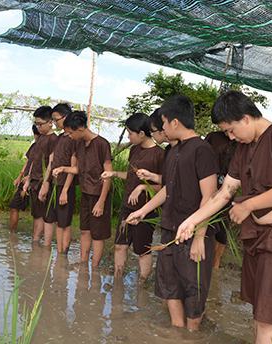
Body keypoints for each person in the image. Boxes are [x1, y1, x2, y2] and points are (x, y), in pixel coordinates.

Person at [176, 90, 272, 344]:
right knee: (259, 313)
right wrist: (192, 220)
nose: (230, 137)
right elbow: (224, 193)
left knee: (268, 317)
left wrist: (248, 205)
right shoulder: (243, 148)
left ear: (245, 118)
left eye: (231, 130)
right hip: (257, 239)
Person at [126, 95, 218, 331]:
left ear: (175, 122)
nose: (163, 129)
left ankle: (192, 332)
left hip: (193, 232)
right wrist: (143, 210)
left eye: (164, 123)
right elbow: (168, 189)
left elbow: (209, 197)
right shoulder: (172, 152)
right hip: (170, 228)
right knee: (169, 284)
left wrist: (199, 236)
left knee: (193, 288)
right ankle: (178, 332)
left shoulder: (202, 150)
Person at [101, 113, 164, 280]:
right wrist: (113, 173)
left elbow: (165, 187)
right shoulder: (135, 149)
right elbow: (131, 176)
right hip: (127, 206)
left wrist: (143, 187)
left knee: (142, 250)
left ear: (142, 133)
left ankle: (142, 284)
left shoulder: (160, 154)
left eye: (130, 133)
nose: (128, 136)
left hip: (146, 210)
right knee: (120, 246)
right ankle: (117, 279)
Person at [62, 111, 113, 267]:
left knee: (97, 235)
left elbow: (108, 175)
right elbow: (79, 169)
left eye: (71, 133)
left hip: (99, 195)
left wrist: (101, 202)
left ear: (81, 128)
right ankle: (84, 263)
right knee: (85, 230)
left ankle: (95, 267)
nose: (69, 136)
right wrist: (63, 169)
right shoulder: (79, 144)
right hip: (85, 193)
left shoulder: (102, 144)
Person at [39, 103, 77, 252]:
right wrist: (46, 183)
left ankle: (62, 254)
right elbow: (51, 161)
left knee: (63, 223)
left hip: (65, 186)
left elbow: (74, 166)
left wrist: (65, 190)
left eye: (56, 119)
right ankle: (50, 250)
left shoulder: (74, 138)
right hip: (54, 183)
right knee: (49, 217)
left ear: (66, 117)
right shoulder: (60, 137)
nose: (54, 123)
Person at [23, 106, 59, 242]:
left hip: (45, 182)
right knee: (37, 215)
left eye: (40, 124)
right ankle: (35, 241)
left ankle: (46, 245)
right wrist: (27, 180)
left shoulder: (54, 140)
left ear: (50, 122)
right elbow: (33, 160)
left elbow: (51, 162)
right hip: (34, 181)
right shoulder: (40, 139)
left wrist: (46, 183)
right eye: (36, 124)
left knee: (47, 216)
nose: (38, 127)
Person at [204, 130, 237, 268]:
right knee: (207, 222)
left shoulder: (242, 141)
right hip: (209, 185)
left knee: (223, 226)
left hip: (230, 189)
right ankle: (204, 257)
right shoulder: (213, 137)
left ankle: (216, 263)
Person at [9, 124, 40, 232]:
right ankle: (12, 234)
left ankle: (36, 239)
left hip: (36, 181)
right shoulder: (34, 145)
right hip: (25, 180)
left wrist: (29, 177)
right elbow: (28, 161)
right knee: (14, 206)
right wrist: (20, 176)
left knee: (38, 213)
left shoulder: (46, 144)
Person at [135, 108, 177, 184]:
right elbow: (170, 182)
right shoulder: (169, 150)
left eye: (152, 131)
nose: (151, 135)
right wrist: (151, 176)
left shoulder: (184, 151)